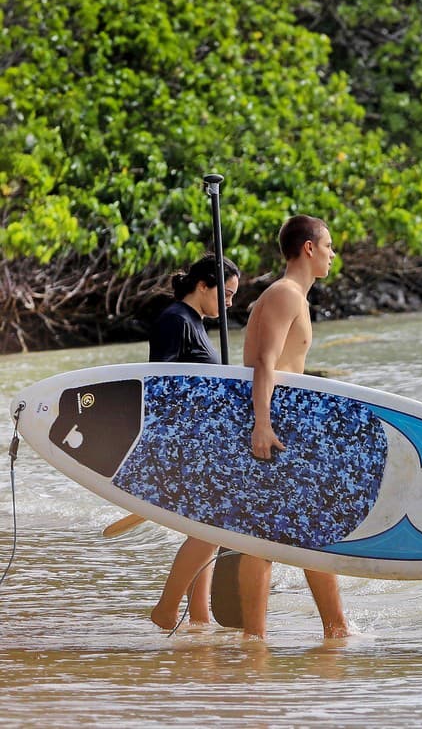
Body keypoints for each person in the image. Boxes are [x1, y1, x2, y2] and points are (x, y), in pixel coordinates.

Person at [239, 214, 350, 640]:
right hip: (273, 425)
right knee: (284, 533)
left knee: (282, 531)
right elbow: (265, 364)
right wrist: (262, 425)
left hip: (287, 424)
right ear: (308, 248)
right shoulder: (285, 295)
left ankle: (265, 636)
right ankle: (325, 631)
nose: (332, 254)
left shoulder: (295, 298)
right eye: (328, 246)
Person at [149, 253, 241, 630]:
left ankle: (199, 617)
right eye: (227, 294)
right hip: (187, 443)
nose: (231, 303)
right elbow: (160, 385)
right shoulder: (175, 321)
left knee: (205, 528)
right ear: (203, 285)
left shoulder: (195, 322)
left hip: (205, 441)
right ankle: (167, 608)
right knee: (212, 528)